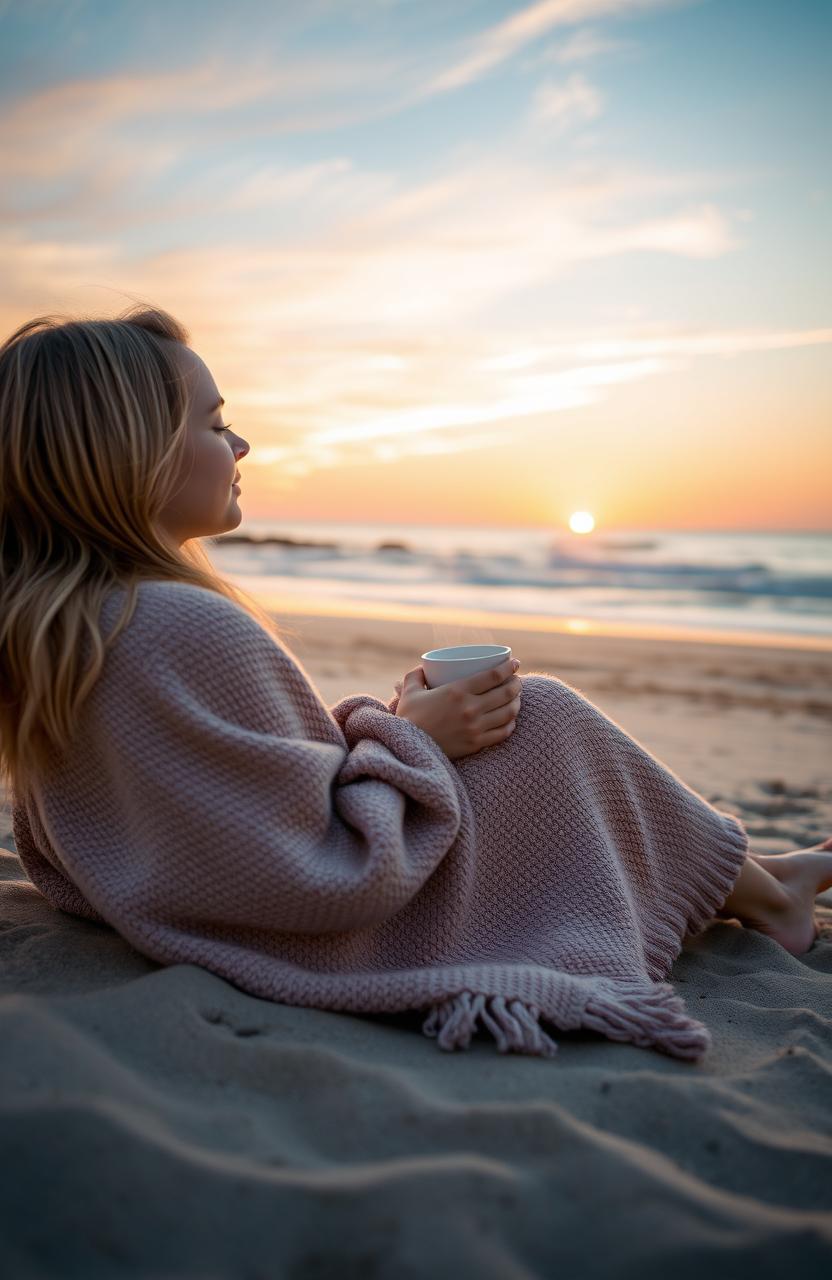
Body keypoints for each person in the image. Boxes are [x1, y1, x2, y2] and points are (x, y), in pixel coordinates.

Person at [1, 305, 830, 1061]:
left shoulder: (65, 627)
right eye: (216, 425)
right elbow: (320, 862)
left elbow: (231, 788)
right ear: (129, 450)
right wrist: (417, 738)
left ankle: (764, 885)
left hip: (200, 909)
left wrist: (394, 727)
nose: (242, 446)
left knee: (519, 726)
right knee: (541, 718)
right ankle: (769, 896)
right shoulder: (181, 624)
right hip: (323, 930)